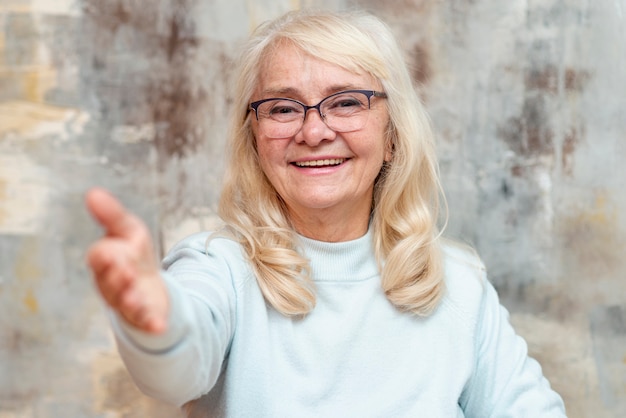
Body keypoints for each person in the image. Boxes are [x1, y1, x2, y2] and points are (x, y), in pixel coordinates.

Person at [85, 8, 567, 417]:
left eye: (346, 102)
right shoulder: (219, 269)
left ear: (392, 135)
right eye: (282, 108)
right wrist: (157, 324)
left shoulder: (459, 286)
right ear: (254, 139)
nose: (314, 131)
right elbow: (176, 371)